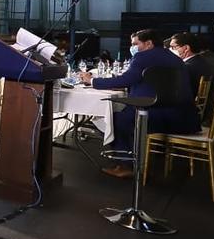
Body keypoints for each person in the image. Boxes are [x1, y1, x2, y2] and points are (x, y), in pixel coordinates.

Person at [79, 29, 200, 179]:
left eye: (136, 44)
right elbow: (148, 82)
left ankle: (126, 164)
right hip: (184, 118)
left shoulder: (143, 57)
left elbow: (126, 80)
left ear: (148, 43)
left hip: (156, 116)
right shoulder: (175, 58)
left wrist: (92, 80)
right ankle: (139, 156)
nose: (133, 47)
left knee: (114, 120)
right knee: (124, 114)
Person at [170, 32, 214, 120]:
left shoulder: (187, 67)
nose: (170, 50)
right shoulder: (201, 62)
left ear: (186, 48)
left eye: (173, 47)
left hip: (189, 113)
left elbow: (180, 95)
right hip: (206, 109)